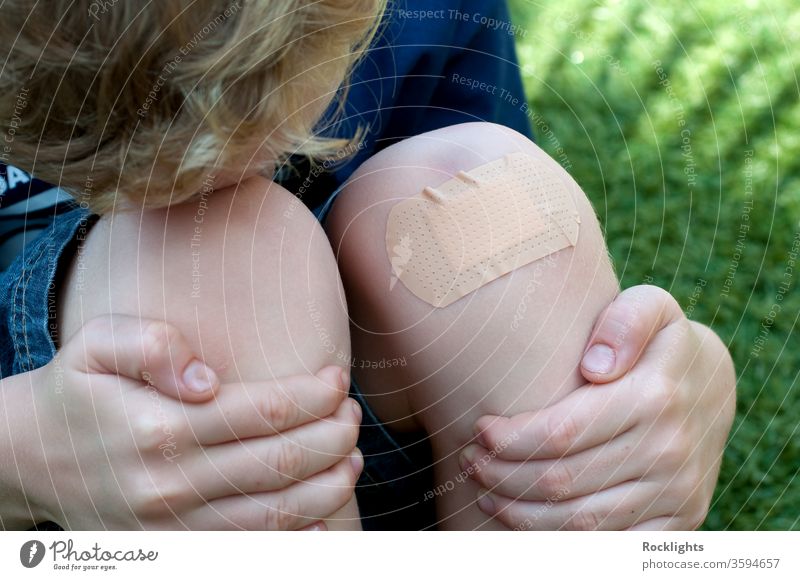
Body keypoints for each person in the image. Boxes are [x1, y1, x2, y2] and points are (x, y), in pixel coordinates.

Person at [0, 0, 735, 530]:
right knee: (210, 263)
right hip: (82, 465)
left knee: (483, 197)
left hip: (380, 433)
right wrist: (23, 451)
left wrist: (662, 394)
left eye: (268, 101)